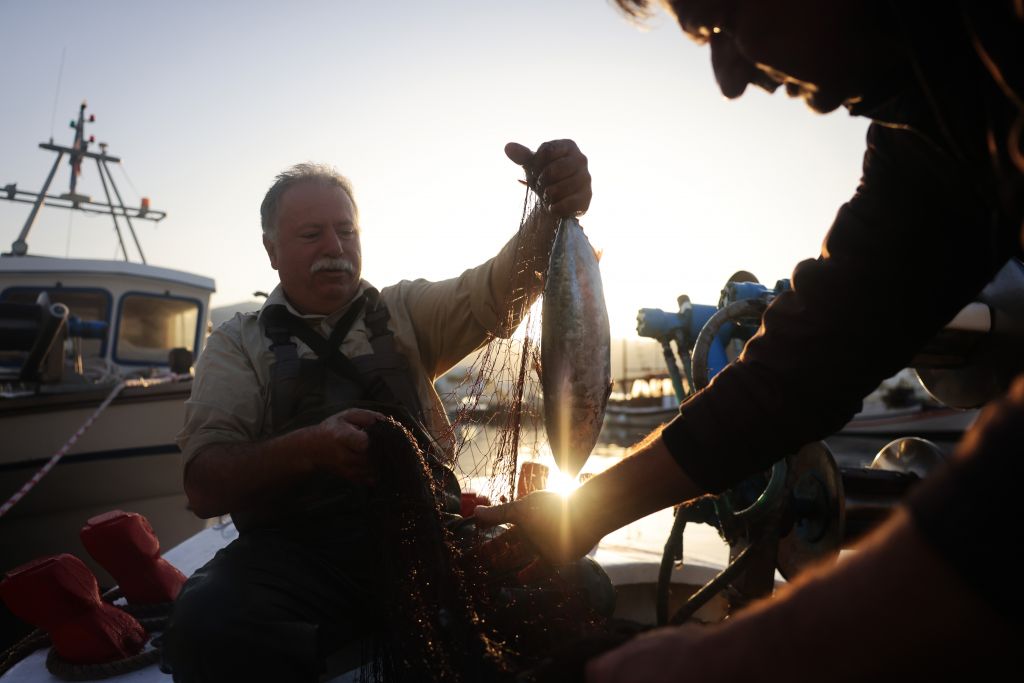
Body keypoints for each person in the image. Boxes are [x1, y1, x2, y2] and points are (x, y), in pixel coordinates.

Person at [476, 1, 1024, 679]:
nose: (729, 75)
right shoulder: (938, 125)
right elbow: (800, 366)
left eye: (721, 18)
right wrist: (585, 512)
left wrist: (730, 655)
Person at [159, 139, 593, 681]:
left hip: (429, 542)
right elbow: (205, 484)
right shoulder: (235, 345)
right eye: (312, 234)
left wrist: (553, 209)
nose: (334, 247)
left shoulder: (403, 312)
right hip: (298, 559)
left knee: (579, 585)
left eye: (346, 231)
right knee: (205, 627)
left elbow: (494, 289)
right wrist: (310, 448)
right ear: (271, 250)